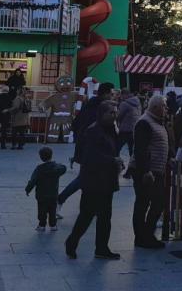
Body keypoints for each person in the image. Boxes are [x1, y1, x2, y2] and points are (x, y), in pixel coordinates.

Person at [65, 100, 123, 260]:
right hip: (93, 181)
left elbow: (111, 151)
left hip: (107, 181)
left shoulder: (111, 130)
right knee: (87, 215)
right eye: (110, 112)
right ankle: (72, 241)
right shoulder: (93, 131)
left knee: (105, 217)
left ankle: (102, 248)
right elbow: (90, 157)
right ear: (102, 114)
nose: (114, 115)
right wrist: (112, 161)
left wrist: (117, 160)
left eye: (115, 112)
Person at [59, 83, 114, 208]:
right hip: (90, 149)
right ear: (105, 93)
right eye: (111, 94)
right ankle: (60, 200)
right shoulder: (97, 108)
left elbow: (77, 123)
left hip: (87, 147)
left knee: (88, 178)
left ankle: (89, 205)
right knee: (83, 179)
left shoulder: (91, 105)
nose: (112, 96)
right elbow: (90, 130)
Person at [133, 95, 170, 248]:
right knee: (146, 203)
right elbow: (141, 149)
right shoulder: (145, 122)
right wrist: (146, 171)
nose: (166, 109)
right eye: (164, 106)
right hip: (148, 172)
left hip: (156, 170)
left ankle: (146, 235)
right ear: (155, 107)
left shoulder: (156, 122)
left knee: (155, 203)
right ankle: (143, 236)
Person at [26, 146, 67, 232]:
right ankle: (53, 225)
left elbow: (33, 181)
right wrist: (55, 164)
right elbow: (64, 168)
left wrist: (28, 189)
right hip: (53, 194)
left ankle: (42, 225)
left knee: (42, 211)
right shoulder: (56, 168)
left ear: (41, 157)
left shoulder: (39, 169)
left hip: (41, 195)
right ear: (51, 155)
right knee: (52, 210)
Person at [116, 91, 142, 158]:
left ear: (125, 94)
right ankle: (132, 166)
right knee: (132, 151)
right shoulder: (138, 103)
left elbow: (118, 116)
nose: (121, 97)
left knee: (116, 148)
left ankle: (116, 165)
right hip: (135, 129)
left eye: (121, 95)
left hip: (125, 130)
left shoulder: (124, 104)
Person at [0, 85, 14, 149]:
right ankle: (3, 145)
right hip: (6, 115)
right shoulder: (10, 97)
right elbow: (12, 106)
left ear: (2, 90)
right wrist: (7, 109)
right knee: (4, 130)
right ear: (8, 90)